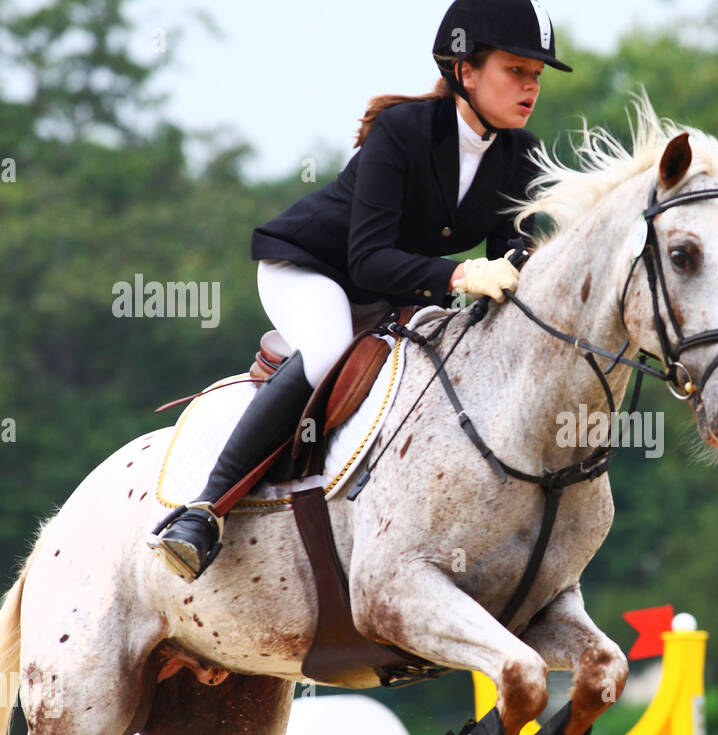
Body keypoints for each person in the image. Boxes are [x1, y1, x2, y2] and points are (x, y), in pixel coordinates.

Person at [149, 0, 570, 582]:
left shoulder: (520, 155)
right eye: (515, 70)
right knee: (326, 350)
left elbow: (513, 248)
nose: (530, 87)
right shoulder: (402, 133)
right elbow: (368, 259)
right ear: (465, 70)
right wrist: (459, 275)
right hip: (312, 269)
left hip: (399, 292)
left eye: (537, 76)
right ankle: (202, 512)